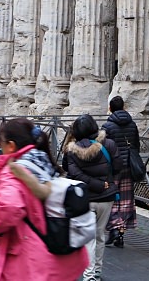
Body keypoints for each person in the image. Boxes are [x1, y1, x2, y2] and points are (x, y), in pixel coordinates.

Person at [0, 118, 89, 281]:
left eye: (1, 145)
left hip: (32, 258)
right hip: (59, 254)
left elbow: (10, 207)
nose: (0, 149)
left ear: (11, 145)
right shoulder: (42, 160)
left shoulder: (15, 170)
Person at [63, 114, 121, 281]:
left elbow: (72, 173)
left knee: (88, 238)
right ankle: (96, 271)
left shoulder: (72, 149)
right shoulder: (108, 144)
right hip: (106, 197)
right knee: (100, 235)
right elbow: (118, 166)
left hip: (84, 198)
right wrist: (103, 183)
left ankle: (89, 276)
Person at [102, 95, 141, 248]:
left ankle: (113, 227)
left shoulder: (107, 126)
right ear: (123, 107)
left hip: (113, 167)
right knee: (126, 201)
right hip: (128, 167)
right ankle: (121, 233)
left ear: (110, 108)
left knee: (111, 198)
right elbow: (136, 145)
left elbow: (103, 148)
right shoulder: (132, 124)